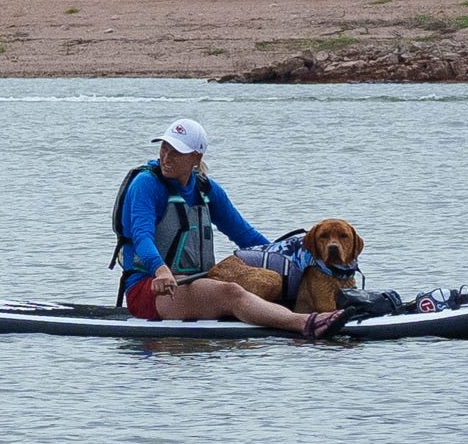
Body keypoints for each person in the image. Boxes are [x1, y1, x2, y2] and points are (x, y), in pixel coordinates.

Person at [111, 118, 346, 340]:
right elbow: (142, 237)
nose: (166, 157)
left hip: (197, 283)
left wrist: (289, 264)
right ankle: (304, 324)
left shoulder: (207, 190)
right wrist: (161, 271)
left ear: (196, 156)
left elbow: (246, 237)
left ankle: (325, 311)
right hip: (152, 289)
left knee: (273, 282)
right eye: (164, 148)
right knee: (231, 293)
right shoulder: (146, 184)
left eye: (176, 152)